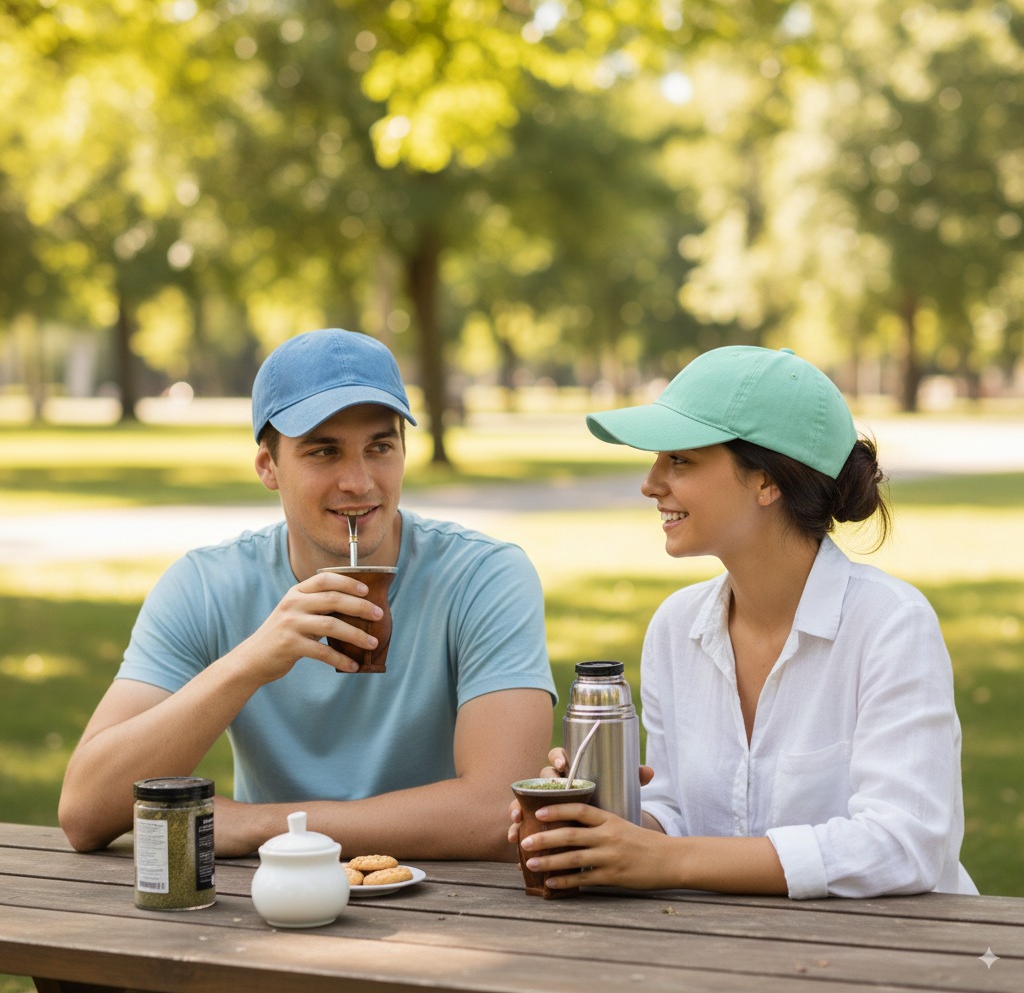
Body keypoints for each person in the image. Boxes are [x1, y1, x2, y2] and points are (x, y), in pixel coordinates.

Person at [59, 328, 555, 859]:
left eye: (380, 447)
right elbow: (85, 814)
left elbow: (500, 812)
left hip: (459, 905)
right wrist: (252, 660)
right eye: (324, 451)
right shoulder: (205, 585)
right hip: (272, 905)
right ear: (268, 466)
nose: (360, 482)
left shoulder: (483, 575)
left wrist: (265, 826)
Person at [511, 345, 977, 899]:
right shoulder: (674, 627)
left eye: (679, 460)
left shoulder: (891, 625)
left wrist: (668, 861)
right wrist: (600, 826)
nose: (650, 483)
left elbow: (903, 845)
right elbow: (677, 808)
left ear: (766, 482)